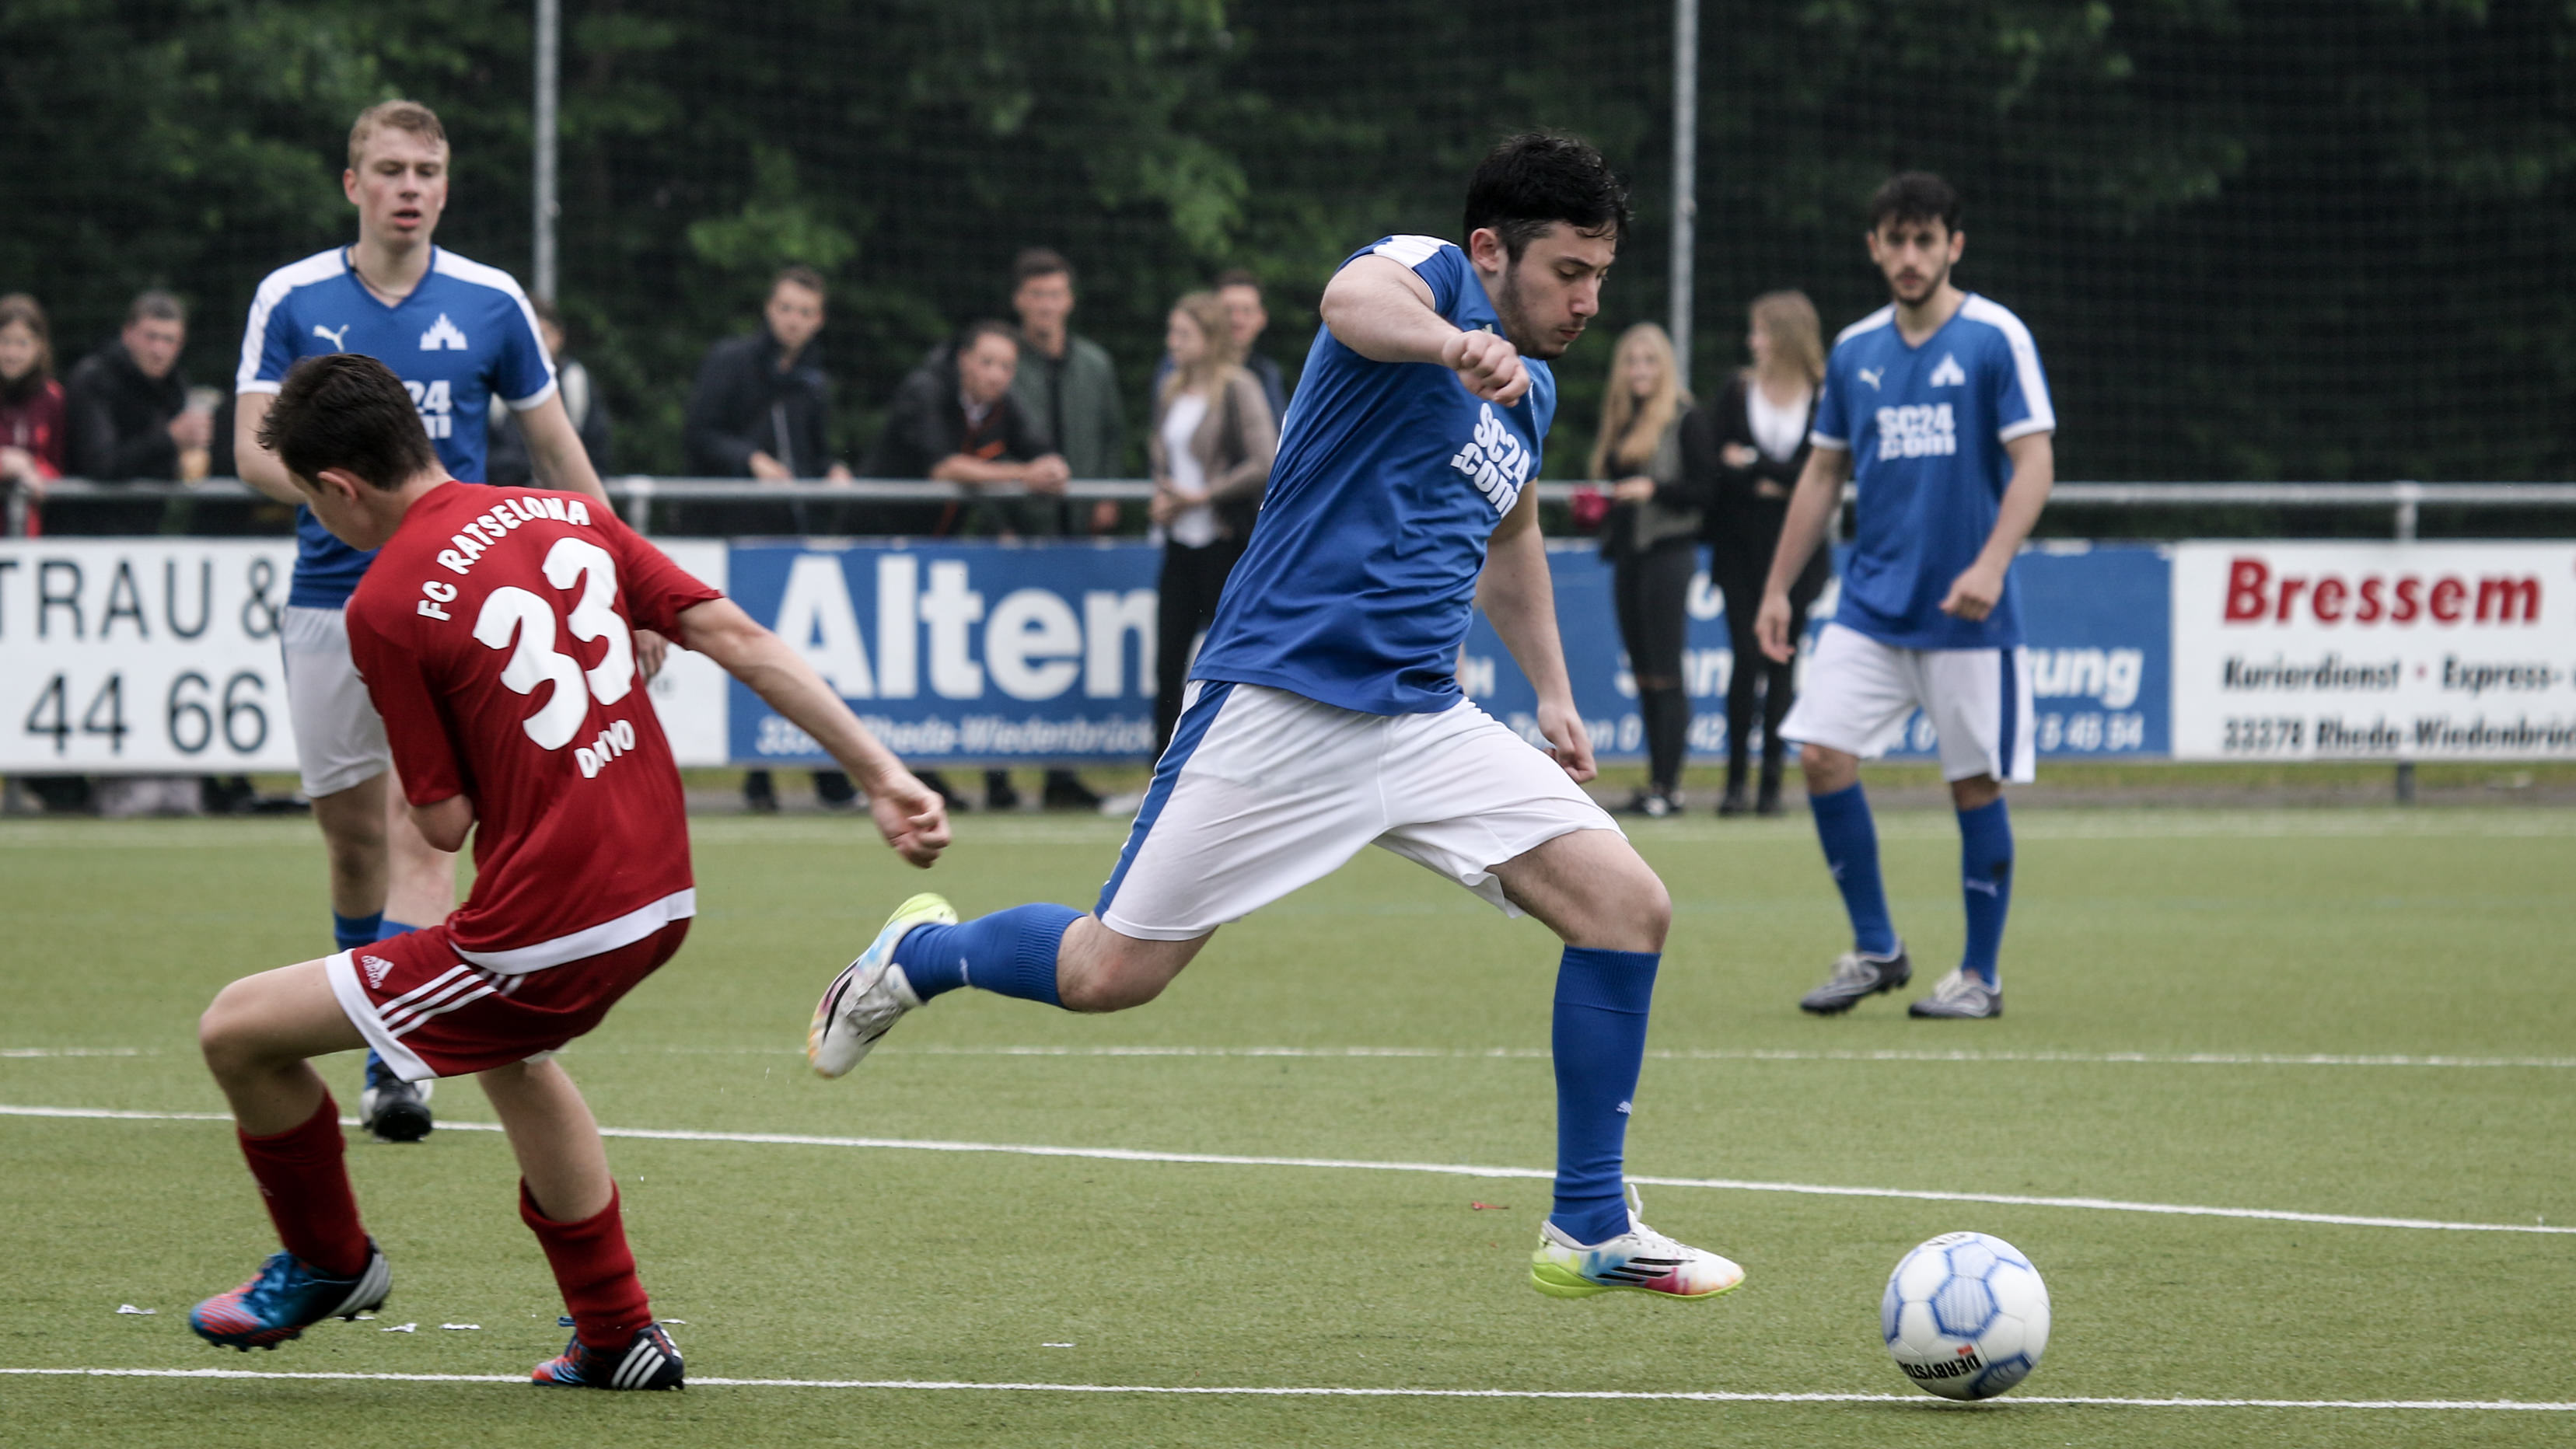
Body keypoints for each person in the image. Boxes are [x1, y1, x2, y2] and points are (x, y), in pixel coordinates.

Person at [809, 133, 1746, 1303]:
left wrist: (1551, 689)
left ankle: (1589, 1226)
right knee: (1109, 972)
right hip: (1278, 703)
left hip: (1424, 718)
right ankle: (918, 957)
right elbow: (1349, 301)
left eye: (1600, 276)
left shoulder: (1533, 390)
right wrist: (1452, 342)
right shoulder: (1421, 280)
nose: (1588, 301)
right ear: (1490, 250)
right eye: (1568, 271)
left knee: (1626, 908)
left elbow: (1512, 537)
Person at [187, 351, 948, 1385]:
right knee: (514, 1057)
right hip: (662, 889)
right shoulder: (565, 512)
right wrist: (881, 775)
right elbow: (733, 634)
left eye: (310, 504)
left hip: (554, 919)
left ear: (339, 488)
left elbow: (442, 824)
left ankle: (329, 1262)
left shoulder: (383, 603)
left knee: (236, 1032)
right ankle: (617, 1333)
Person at [232, 99, 629, 1141]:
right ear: (352, 183)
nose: (408, 188)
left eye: (426, 171)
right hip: (330, 602)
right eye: (390, 169)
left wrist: (613, 567)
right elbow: (249, 449)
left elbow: (556, 448)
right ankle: (372, 1007)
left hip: (456, 604)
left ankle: (395, 1064)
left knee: (428, 826)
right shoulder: (292, 296)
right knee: (354, 841)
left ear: (446, 188)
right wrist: (350, 492)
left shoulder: (492, 301)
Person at [1756, 172, 2055, 1021]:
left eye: (1926, 240)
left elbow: (2035, 461)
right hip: (1871, 606)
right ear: (1874, 248)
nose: (1911, 256)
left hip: (1968, 614)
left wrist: (1990, 565)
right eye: (1896, 240)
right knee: (1820, 753)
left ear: (1953, 245)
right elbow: (1822, 473)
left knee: (1973, 786)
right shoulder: (1854, 352)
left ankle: (1979, 977)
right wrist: (1777, 586)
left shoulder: (1995, 338)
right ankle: (1877, 948)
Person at [865, 321, 1098, 811]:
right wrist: (1024, 474)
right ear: (964, 361)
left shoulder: (1003, 405)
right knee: (893, 667)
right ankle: (895, 775)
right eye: (988, 363)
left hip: (938, 548)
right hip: (880, 544)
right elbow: (944, 468)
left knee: (937, 664)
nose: (997, 375)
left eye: (1007, 367)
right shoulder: (926, 391)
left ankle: (952, 778)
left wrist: (1053, 466)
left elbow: (1038, 449)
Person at [685, 264, 859, 815]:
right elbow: (699, 432)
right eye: (786, 308)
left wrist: (833, 469)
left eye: (805, 312)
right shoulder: (731, 362)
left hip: (791, 537)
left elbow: (817, 449)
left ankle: (827, 778)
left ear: (819, 320)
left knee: (802, 658)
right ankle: (757, 776)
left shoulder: (813, 380)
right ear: (769, 309)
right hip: (733, 535)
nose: (793, 320)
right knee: (749, 653)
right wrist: (749, 460)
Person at [1698, 292, 1830, 816]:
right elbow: (1715, 461)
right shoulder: (1738, 391)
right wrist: (1774, 478)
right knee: (1744, 658)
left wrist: (1754, 466)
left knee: (1782, 663)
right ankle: (1735, 784)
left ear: (1784, 337)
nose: (1752, 342)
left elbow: (1817, 472)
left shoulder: (1821, 395)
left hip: (1799, 549)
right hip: (1739, 547)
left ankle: (1771, 784)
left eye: (1760, 332)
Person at [1145, 291, 1277, 756]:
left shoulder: (1239, 386)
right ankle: (1163, 763)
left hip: (1223, 541)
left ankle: (1233, 756)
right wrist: (1165, 499)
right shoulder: (1170, 389)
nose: (1173, 342)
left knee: (1228, 660)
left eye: (1183, 333)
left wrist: (1203, 495)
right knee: (1168, 660)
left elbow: (1264, 461)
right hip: (1180, 541)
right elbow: (1166, 459)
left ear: (1209, 337)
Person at [1589, 323, 1698, 818]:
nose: (1639, 370)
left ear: (1665, 367)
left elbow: (1705, 490)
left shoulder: (1684, 418)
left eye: (1649, 361)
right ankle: (1656, 782)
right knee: (1643, 673)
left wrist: (1653, 490)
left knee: (1665, 671)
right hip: (1629, 556)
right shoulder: (1622, 419)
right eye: (1632, 361)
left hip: (1668, 553)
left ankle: (1669, 787)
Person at [1005, 248, 1124, 537]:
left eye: (1055, 295)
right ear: (1018, 300)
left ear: (1069, 300)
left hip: (1084, 516)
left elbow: (1112, 434)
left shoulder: (1096, 364)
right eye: (1036, 294)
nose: (1046, 306)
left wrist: (1109, 495)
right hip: (1020, 516)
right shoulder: (1003, 365)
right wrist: (1001, 521)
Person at [486, 297, 611, 486]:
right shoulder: (492, 382)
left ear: (559, 336)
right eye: (527, 336)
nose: (534, 345)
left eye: (542, 335)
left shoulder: (576, 382)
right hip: (508, 494)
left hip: (564, 496)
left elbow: (597, 449)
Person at [1152, 269, 1291, 432]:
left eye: (1247, 311)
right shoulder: (1179, 367)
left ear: (1262, 318)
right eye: (1228, 310)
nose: (1237, 320)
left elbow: (1278, 433)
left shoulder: (1266, 373)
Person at [0, 293, 65, 536]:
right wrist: (6, 465)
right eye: (5, 341)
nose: (11, 353)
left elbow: (59, 464)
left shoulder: (53, 398)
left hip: (29, 537)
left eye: (22, 343)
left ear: (39, 347)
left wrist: (34, 470)